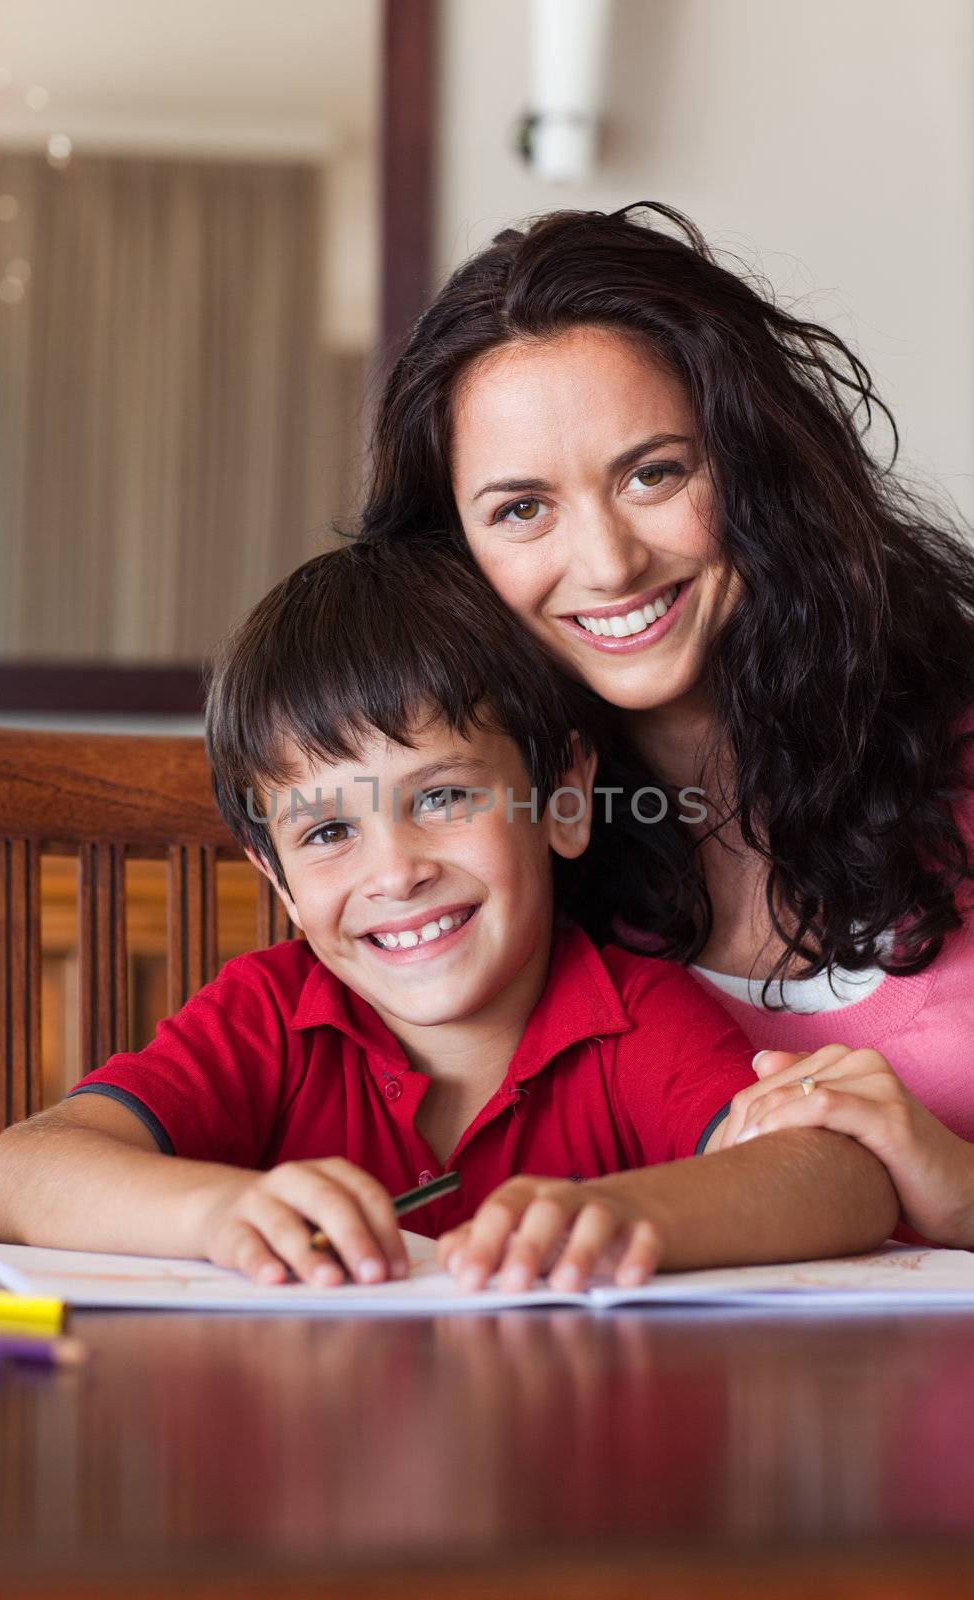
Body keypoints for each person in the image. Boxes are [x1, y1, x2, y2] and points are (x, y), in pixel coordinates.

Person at [0, 540, 897, 1291]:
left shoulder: (631, 1015)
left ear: (564, 802)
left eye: (445, 799)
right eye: (329, 829)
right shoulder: (269, 1014)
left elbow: (839, 1179)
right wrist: (213, 1215)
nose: (396, 871)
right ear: (281, 881)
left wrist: (632, 1216)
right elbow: (19, 1173)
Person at [359, 202, 974, 1249]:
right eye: (521, 508)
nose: (606, 563)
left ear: (756, 466)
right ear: (448, 557)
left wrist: (955, 1187)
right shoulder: (475, 856)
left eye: (655, 473)